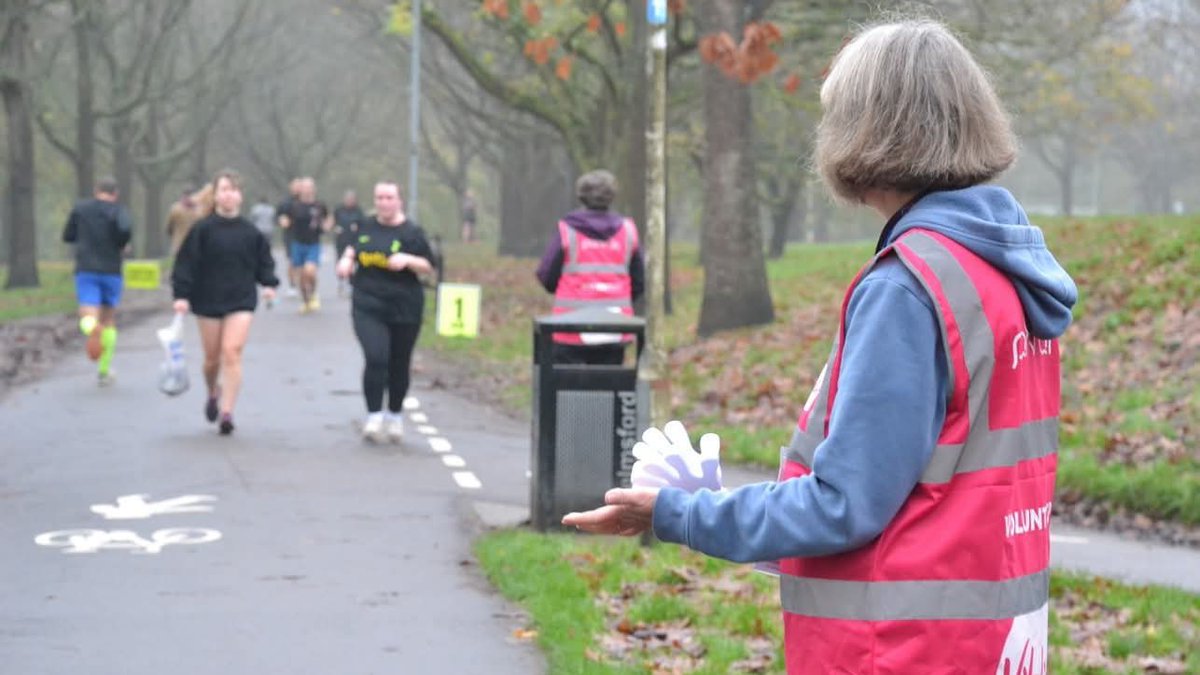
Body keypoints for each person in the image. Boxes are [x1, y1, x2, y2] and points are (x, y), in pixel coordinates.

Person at [563, 19, 1079, 674]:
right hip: (993, 645)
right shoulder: (1005, 272)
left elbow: (844, 506)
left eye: (836, 115)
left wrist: (679, 512)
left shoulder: (908, 287)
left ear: (872, 131)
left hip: (897, 650)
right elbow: (923, 493)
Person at [171, 169, 279, 436]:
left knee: (232, 352)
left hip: (240, 299)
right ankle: (212, 391)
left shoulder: (251, 232)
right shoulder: (202, 230)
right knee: (211, 359)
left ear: (240, 196)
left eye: (233, 189)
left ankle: (228, 412)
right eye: (224, 189)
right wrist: (182, 296)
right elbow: (185, 265)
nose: (229, 194)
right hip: (207, 299)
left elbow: (264, 263)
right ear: (216, 195)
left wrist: (268, 284)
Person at [335, 181, 435, 443]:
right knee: (376, 356)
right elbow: (352, 248)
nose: (384, 203)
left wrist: (408, 260)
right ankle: (374, 415)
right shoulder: (365, 226)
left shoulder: (412, 232)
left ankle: (395, 415)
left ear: (399, 201)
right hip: (368, 302)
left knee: (399, 363)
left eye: (389, 197)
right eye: (379, 197)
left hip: (404, 305)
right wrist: (346, 260)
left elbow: (428, 266)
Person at [535, 169, 645, 365]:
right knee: (609, 384)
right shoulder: (628, 231)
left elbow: (546, 275)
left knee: (566, 387)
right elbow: (639, 281)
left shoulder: (567, 230)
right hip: (614, 326)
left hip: (570, 325)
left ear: (581, 196)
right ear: (611, 197)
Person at [61, 176, 133, 385]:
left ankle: (93, 328)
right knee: (109, 319)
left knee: (87, 313)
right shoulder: (119, 210)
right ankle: (104, 371)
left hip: (87, 269)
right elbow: (125, 232)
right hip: (111, 270)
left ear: (96, 190)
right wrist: (122, 245)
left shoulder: (80, 208)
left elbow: (68, 235)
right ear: (115, 193)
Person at [278, 176, 330, 312]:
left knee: (310, 271)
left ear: (314, 189)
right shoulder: (293, 206)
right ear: (300, 190)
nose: (307, 190)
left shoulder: (319, 205)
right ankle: (306, 301)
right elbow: (283, 216)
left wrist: (327, 225)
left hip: (313, 243)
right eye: (304, 187)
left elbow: (328, 217)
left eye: (310, 187)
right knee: (301, 277)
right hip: (298, 243)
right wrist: (283, 221)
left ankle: (313, 294)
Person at [333, 190, 365, 298]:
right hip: (341, 240)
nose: (349, 201)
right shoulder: (339, 209)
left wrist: (358, 228)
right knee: (340, 260)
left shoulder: (358, 211)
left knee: (352, 262)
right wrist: (335, 228)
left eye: (351, 199)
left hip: (353, 241)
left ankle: (351, 284)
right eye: (348, 199)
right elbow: (333, 222)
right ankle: (341, 281)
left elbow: (363, 224)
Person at [276, 178, 301, 298]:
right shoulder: (285, 202)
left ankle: (303, 284)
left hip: (304, 236)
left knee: (303, 264)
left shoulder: (306, 201)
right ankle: (292, 285)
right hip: (290, 235)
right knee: (292, 261)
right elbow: (278, 216)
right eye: (295, 186)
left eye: (299, 186)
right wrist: (281, 220)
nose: (297, 189)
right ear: (291, 188)